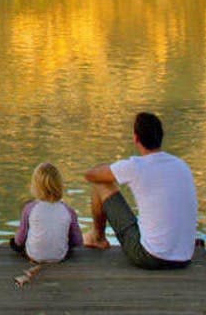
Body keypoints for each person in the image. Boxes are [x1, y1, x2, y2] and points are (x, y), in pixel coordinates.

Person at [83, 112, 198, 269]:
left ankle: (98, 238)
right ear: (161, 137)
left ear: (136, 138)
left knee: (100, 184)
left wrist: (111, 167)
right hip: (184, 257)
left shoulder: (135, 166)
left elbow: (90, 175)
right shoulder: (181, 165)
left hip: (149, 257)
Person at [10, 162, 83, 263]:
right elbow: (78, 241)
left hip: (34, 256)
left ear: (35, 186)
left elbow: (19, 240)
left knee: (14, 243)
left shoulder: (29, 208)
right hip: (59, 256)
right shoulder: (69, 210)